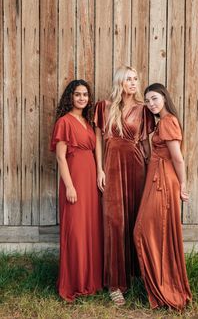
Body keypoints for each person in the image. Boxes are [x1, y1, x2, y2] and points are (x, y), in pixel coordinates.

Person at [94, 65, 155, 305]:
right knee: (114, 222)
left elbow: (147, 144)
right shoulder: (104, 107)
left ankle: (137, 275)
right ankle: (115, 283)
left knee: (134, 219)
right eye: (129, 79)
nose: (133, 82)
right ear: (120, 81)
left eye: (136, 79)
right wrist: (99, 168)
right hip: (111, 166)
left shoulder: (143, 109)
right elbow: (99, 138)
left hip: (137, 167)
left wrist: (152, 171)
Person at [134, 83, 192, 311]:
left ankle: (165, 288)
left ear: (165, 98)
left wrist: (183, 184)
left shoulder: (168, 122)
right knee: (156, 231)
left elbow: (177, 158)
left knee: (144, 230)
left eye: (155, 98)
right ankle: (161, 285)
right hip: (156, 176)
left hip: (164, 180)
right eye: (148, 100)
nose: (151, 104)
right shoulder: (161, 123)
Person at [50, 79, 103, 302]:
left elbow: (96, 148)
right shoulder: (64, 121)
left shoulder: (87, 122)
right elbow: (60, 157)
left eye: (85, 94)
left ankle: (90, 280)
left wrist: (100, 171)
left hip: (90, 180)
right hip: (74, 181)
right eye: (77, 94)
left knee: (90, 229)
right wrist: (70, 186)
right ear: (70, 97)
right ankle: (74, 281)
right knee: (76, 230)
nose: (82, 98)